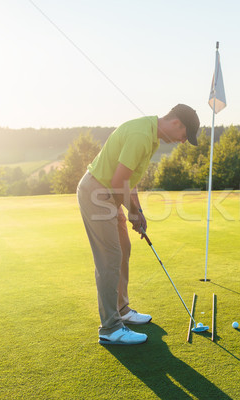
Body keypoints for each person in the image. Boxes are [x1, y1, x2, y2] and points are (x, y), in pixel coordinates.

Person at [77, 104, 200, 345]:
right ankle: (110, 329)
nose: (183, 142)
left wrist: (138, 210)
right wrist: (132, 213)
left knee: (124, 249)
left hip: (109, 192)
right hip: (97, 192)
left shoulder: (151, 137)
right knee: (109, 258)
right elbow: (117, 181)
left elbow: (129, 181)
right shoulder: (141, 136)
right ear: (177, 124)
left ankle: (121, 309)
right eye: (185, 136)